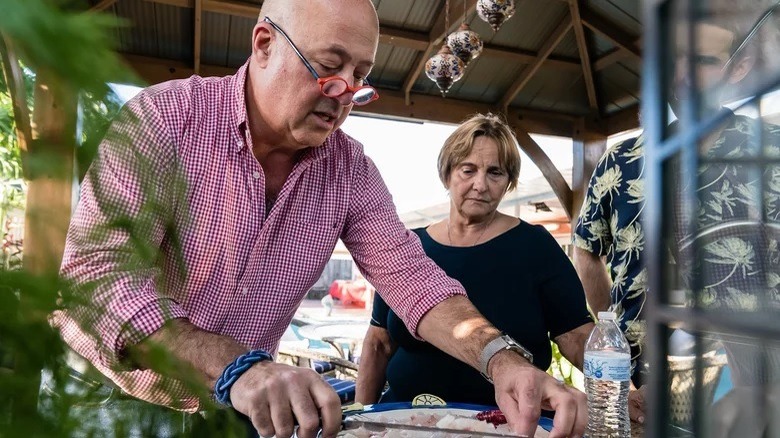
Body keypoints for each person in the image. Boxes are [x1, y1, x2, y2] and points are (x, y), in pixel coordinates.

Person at [51, 1, 586, 438]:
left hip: (235, 409)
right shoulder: (165, 118)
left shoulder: (350, 169)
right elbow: (98, 277)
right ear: (264, 44)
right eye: (330, 67)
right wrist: (239, 366)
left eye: (361, 76)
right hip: (108, 395)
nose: (345, 96)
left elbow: (412, 279)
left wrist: (504, 362)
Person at [574, 0, 780, 432]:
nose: (682, 77)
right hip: (635, 388)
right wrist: (612, 330)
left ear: (738, 68)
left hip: (756, 387)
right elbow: (587, 251)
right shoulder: (621, 160)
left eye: (703, 62)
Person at [355, 113, 595, 408]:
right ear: (447, 174)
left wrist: (624, 391)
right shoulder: (407, 248)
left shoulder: (535, 246)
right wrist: (358, 416)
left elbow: (576, 336)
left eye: (495, 173)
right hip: (403, 416)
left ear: (508, 182)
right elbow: (378, 343)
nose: (480, 185)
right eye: (468, 170)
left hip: (502, 423)